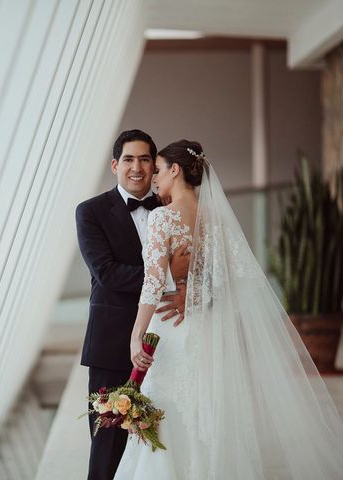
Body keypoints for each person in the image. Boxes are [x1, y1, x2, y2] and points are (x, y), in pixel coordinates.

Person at [114, 140, 343, 479]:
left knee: (167, 415)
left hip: (173, 331)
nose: (155, 179)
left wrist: (136, 336)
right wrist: (196, 294)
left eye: (159, 170)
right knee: (206, 416)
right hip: (207, 331)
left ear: (175, 170)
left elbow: (151, 284)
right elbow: (238, 280)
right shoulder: (215, 218)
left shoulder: (162, 218)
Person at [76, 130, 190, 480]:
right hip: (112, 343)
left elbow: (202, 265)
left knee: (165, 441)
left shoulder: (173, 208)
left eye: (145, 160)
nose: (137, 167)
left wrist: (187, 291)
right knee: (108, 443)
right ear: (115, 165)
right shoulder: (90, 211)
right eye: (128, 159)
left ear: (156, 167)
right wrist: (169, 278)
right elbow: (107, 273)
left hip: (171, 340)